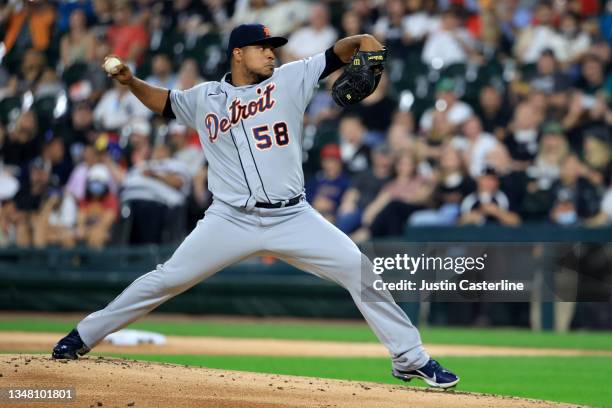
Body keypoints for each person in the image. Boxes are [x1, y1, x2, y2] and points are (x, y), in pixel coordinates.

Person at [51, 23, 459, 389]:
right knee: (165, 279)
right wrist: (130, 81)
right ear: (237, 53)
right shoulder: (205, 97)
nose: (271, 53)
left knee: (358, 268)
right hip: (229, 219)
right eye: (262, 47)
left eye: (273, 47)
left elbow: (344, 49)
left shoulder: (291, 77)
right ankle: (83, 336)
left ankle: (410, 358)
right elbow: (165, 102)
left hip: (292, 215)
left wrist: (367, 42)